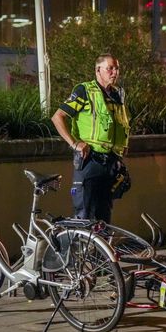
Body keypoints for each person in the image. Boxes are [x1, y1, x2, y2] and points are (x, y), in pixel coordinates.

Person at [51, 53, 131, 223]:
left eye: (117, 68)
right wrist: (74, 143)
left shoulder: (118, 95)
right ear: (98, 70)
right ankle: (80, 249)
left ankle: (101, 249)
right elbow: (58, 117)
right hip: (90, 160)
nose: (115, 72)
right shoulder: (84, 91)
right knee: (84, 213)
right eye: (110, 68)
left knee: (104, 215)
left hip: (111, 162)